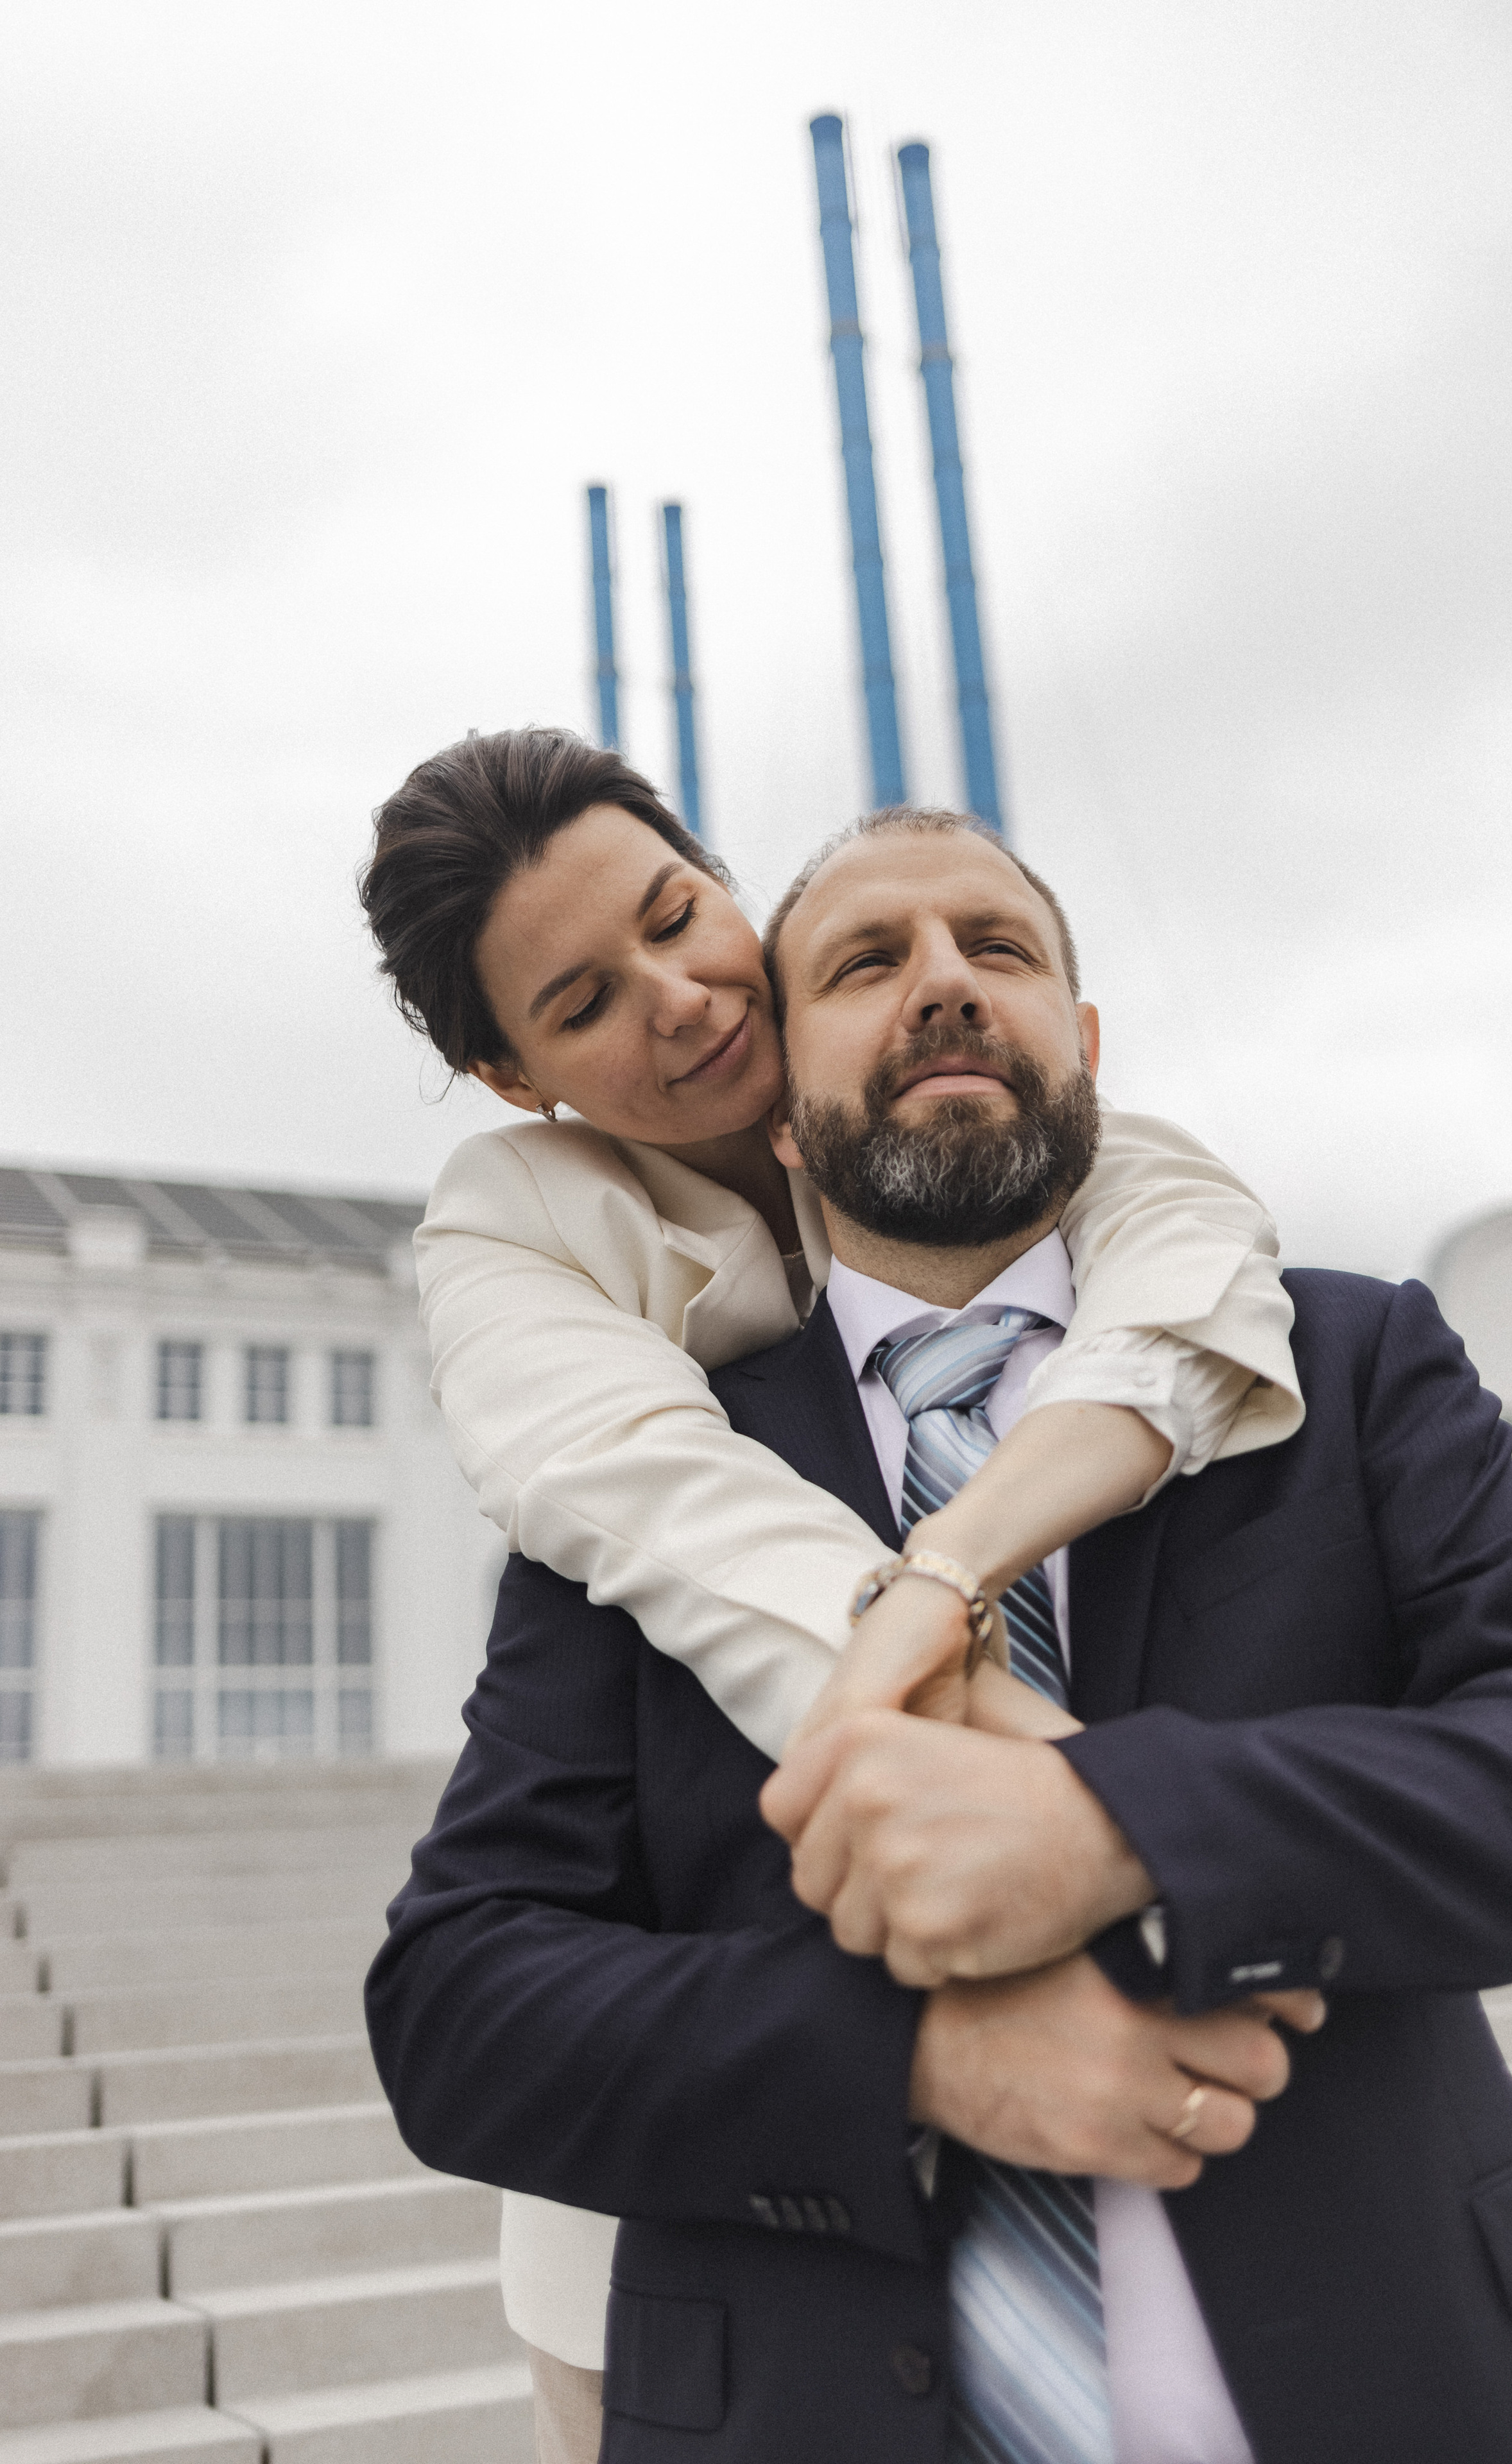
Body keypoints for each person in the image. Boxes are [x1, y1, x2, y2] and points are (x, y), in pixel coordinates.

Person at [367, 807, 1512, 2462]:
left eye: (1000, 949)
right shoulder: (630, 1463)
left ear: (1088, 1047)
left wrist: (1118, 1825)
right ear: (789, 1118)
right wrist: (918, 2061)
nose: (946, 987)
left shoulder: (1349, 1361)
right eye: (869, 963)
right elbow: (460, 2004)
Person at [359, 729, 1304, 2447]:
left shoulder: (914, 1034)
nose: (684, 1000)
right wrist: (1053, 1781)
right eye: (585, 1003)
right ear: (516, 1076)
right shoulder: (512, 1223)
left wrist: (976, 1554)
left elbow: (1179, 1222)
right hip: (700, 2215)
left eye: (678, 913)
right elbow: (664, 1508)